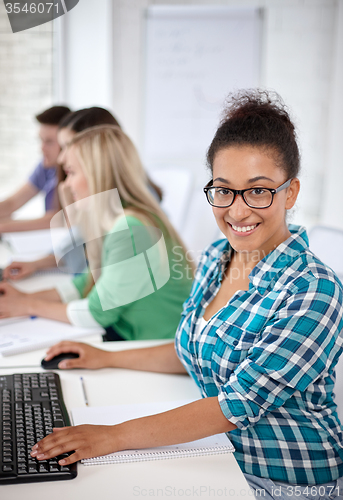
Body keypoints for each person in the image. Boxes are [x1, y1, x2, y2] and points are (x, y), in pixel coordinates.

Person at [28, 90, 342, 499]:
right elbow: (191, 348)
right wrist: (105, 357)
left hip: (283, 481)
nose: (238, 210)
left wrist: (111, 437)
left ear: (291, 193)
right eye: (224, 190)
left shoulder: (313, 289)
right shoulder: (218, 255)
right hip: (216, 456)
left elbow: (235, 405)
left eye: (259, 190)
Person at [0, 125, 193, 341]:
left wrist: (27, 305)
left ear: (96, 174)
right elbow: (85, 283)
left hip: (156, 345)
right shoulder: (122, 218)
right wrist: (25, 298)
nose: (67, 184)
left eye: (72, 172)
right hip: (134, 333)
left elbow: (96, 313)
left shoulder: (130, 227)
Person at [3, 106, 163, 279]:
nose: (62, 157)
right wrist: (36, 264)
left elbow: (91, 268)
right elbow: (80, 247)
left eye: (67, 146)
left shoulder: (128, 211)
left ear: (95, 149)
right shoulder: (85, 189)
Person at [0, 105, 71, 232]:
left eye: (49, 142)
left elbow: (60, 218)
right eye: (41, 140)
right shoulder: (46, 166)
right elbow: (13, 202)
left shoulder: (74, 171)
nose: (41, 148)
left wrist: (4, 226)